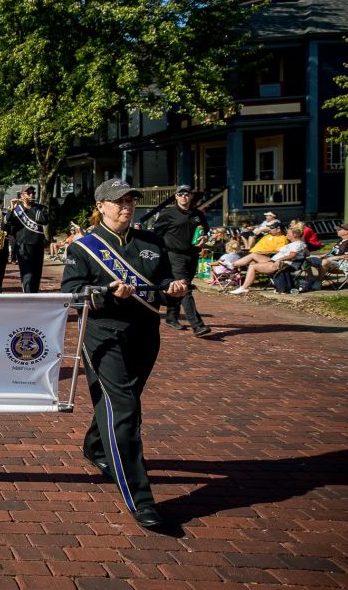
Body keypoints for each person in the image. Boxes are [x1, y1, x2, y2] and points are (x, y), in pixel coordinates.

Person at [61, 178, 188, 529]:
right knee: (126, 411)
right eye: (118, 202)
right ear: (101, 206)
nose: (126, 207)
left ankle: (95, 447)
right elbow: (71, 294)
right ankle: (141, 500)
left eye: (131, 201)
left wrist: (173, 291)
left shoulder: (152, 242)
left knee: (120, 401)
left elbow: (162, 286)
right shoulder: (83, 247)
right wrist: (105, 290)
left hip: (145, 335)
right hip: (103, 336)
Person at [140, 185, 211, 336]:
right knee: (185, 288)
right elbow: (156, 233)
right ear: (176, 197)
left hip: (192, 255)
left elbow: (205, 230)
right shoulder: (168, 214)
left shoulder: (197, 214)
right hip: (174, 255)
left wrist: (204, 238)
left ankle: (171, 317)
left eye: (187, 194)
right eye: (181, 194)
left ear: (191, 197)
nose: (184, 197)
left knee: (180, 287)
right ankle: (197, 326)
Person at [230, 225, 308, 295]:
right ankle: (232, 265)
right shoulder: (296, 244)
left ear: (294, 235)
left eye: (288, 233)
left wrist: (280, 259)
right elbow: (307, 254)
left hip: (282, 264)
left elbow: (292, 255)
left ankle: (243, 288)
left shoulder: (297, 244)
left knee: (253, 266)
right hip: (275, 260)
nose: (286, 234)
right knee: (253, 255)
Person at [3, 185, 49, 293]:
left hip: (37, 245)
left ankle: (34, 297)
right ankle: (27, 297)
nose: (32, 195)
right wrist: (11, 209)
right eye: (28, 193)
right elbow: (5, 225)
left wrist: (30, 208)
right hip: (23, 245)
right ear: (22, 195)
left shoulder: (40, 208)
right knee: (27, 275)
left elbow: (45, 220)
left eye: (33, 193)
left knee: (37, 274)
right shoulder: (16, 210)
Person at [302, 221, 348, 291]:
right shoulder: (341, 241)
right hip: (329, 261)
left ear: (346, 232)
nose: (336, 230)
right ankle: (311, 278)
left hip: (342, 264)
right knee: (305, 260)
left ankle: (318, 281)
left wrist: (333, 258)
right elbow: (334, 252)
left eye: (339, 229)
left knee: (325, 262)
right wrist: (323, 255)